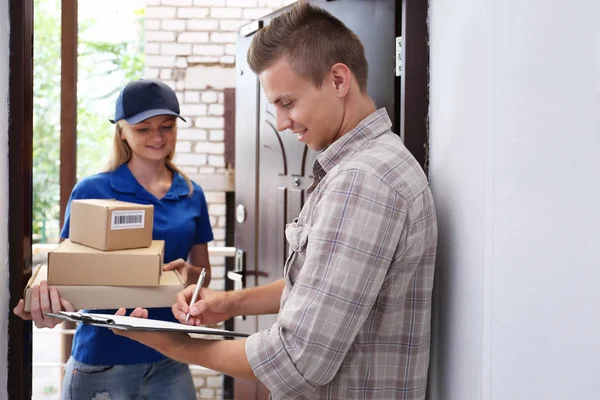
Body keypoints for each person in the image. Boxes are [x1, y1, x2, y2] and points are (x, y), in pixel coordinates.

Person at [115, 2, 438, 399]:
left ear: (338, 79)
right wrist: (231, 303)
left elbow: (297, 361)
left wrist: (173, 343)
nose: (282, 123)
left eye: (287, 102)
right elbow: (320, 285)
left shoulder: (362, 181)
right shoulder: (365, 166)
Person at [13, 79, 214, 399]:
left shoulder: (191, 193)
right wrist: (46, 305)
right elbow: (66, 272)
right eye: (144, 128)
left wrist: (186, 277)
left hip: (171, 357)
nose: (158, 136)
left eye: (167, 126)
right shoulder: (92, 191)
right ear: (121, 131)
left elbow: (202, 271)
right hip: (102, 361)